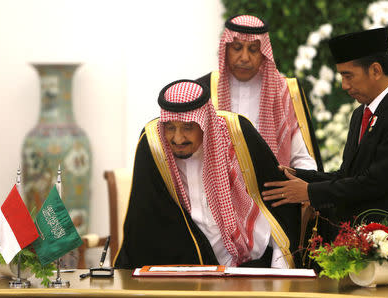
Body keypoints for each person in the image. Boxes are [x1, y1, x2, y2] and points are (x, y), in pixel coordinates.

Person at [114, 80, 301, 269]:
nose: (178, 138)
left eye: (187, 127)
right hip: (188, 267)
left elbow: (278, 202)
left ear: (205, 123)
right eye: (170, 127)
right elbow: (142, 220)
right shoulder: (153, 144)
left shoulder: (238, 134)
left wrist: (281, 265)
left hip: (251, 263)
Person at [262, 28, 388, 227]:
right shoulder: (360, 114)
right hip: (359, 239)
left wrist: (309, 192)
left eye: (348, 76)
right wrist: (299, 175)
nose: (344, 85)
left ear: (375, 70)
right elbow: (346, 175)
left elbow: (375, 182)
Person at [197, 14, 322, 171]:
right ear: (226, 48)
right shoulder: (204, 90)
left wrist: (303, 186)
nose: (244, 58)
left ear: (263, 53)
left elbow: (300, 158)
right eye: (237, 48)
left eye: (253, 50)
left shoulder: (281, 91)